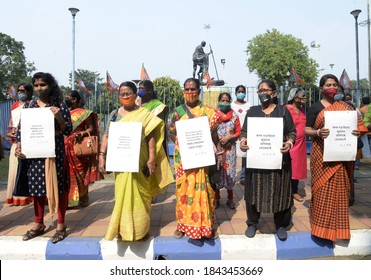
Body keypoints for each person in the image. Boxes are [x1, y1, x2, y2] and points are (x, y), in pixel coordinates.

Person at [100, 81, 173, 241]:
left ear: (135, 95)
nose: (125, 96)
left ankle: (140, 230)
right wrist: (101, 155)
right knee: (121, 195)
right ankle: (123, 229)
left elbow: (151, 139)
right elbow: (107, 135)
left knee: (142, 194)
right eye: (122, 94)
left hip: (140, 162)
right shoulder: (114, 114)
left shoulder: (145, 114)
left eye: (128, 93)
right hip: (121, 162)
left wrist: (152, 160)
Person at [305, 74, 366, 242]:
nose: (332, 87)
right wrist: (317, 132)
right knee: (322, 190)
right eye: (328, 85)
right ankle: (320, 228)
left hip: (341, 157)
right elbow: (306, 129)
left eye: (334, 85)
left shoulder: (346, 107)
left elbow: (359, 128)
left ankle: (338, 230)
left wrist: (356, 133)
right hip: (322, 156)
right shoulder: (315, 108)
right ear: (321, 89)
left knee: (340, 191)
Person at [14, 72, 72, 243]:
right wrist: (19, 146)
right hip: (35, 153)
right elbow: (21, 130)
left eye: (43, 85)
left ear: (50, 86)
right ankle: (39, 223)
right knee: (37, 187)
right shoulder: (29, 106)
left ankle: (60, 225)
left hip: (55, 152)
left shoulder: (59, 105)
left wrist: (58, 116)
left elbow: (67, 130)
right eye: (37, 85)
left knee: (58, 187)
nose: (39, 88)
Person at [240, 79, 296, 241]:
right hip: (256, 160)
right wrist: (243, 141)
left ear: (274, 93)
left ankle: (281, 224)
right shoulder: (252, 111)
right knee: (253, 190)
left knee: (280, 190)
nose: (262, 93)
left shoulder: (283, 111)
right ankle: (252, 223)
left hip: (278, 160)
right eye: (260, 91)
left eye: (265, 90)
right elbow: (244, 132)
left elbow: (292, 132)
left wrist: (289, 143)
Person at [168, 77, 222, 240]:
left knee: (206, 190)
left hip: (203, 159)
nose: (190, 92)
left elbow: (213, 134)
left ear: (199, 90)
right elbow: (171, 133)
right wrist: (184, 143)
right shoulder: (177, 112)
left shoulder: (209, 111)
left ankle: (207, 226)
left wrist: (218, 151)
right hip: (184, 160)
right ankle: (182, 226)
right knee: (183, 192)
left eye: (193, 89)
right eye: (187, 89)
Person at [64, 90, 99, 208]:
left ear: (74, 99)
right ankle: (71, 199)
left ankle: (84, 197)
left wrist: (81, 134)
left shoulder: (85, 113)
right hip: (65, 146)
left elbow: (91, 128)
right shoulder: (64, 113)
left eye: (68, 97)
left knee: (80, 172)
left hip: (78, 145)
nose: (66, 100)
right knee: (67, 173)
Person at [6, 83, 34, 206]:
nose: (20, 92)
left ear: (29, 92)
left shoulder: (33, 105)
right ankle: (15, 196)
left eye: (23, 90)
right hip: (15, 142)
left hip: (29, 142)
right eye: (19, 90)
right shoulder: (15, 106)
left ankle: (28, 196)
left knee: (26, 169)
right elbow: (11, 123)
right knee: (14, 168)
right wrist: (11, 132)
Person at [215, 92, 241, 209]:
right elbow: (210, 130)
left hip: (230, 149)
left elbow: (239, 132)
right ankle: (216, 198)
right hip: (217, 149)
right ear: (219, 101)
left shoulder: (234, 115)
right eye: (223, 101)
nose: (225, 103)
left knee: (230, 172)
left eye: (227, 101)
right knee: (217, 172)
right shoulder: (214, 116)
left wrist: (229, 137)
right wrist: (218, 140)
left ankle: (230, 198)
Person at [285, 87, 308, 202]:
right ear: (295, 97)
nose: (305, 98)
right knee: (289, 166)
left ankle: (294, 191)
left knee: (298, 167)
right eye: (303, 96)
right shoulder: (286, 109)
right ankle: (286, 190)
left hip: (301, 143)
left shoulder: (303, 109)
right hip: (290, 142)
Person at [138, 80, 169, 154]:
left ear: (149, 90)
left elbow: (159, 126)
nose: (140, 91)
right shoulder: (136, 105)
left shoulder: (158, 106)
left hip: (153, 139)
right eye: (139, 89)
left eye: (142, 89)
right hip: (138, 139)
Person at [231, 85, 251, 185]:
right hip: (234, 133)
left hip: (246, 132)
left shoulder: (249, 105)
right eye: (239, 92)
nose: (241, 93)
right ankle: (231, 176)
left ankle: (243, 176)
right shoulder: (231, 106)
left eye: (242, 91)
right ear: (235, 93)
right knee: (232, 155)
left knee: (245, 155)